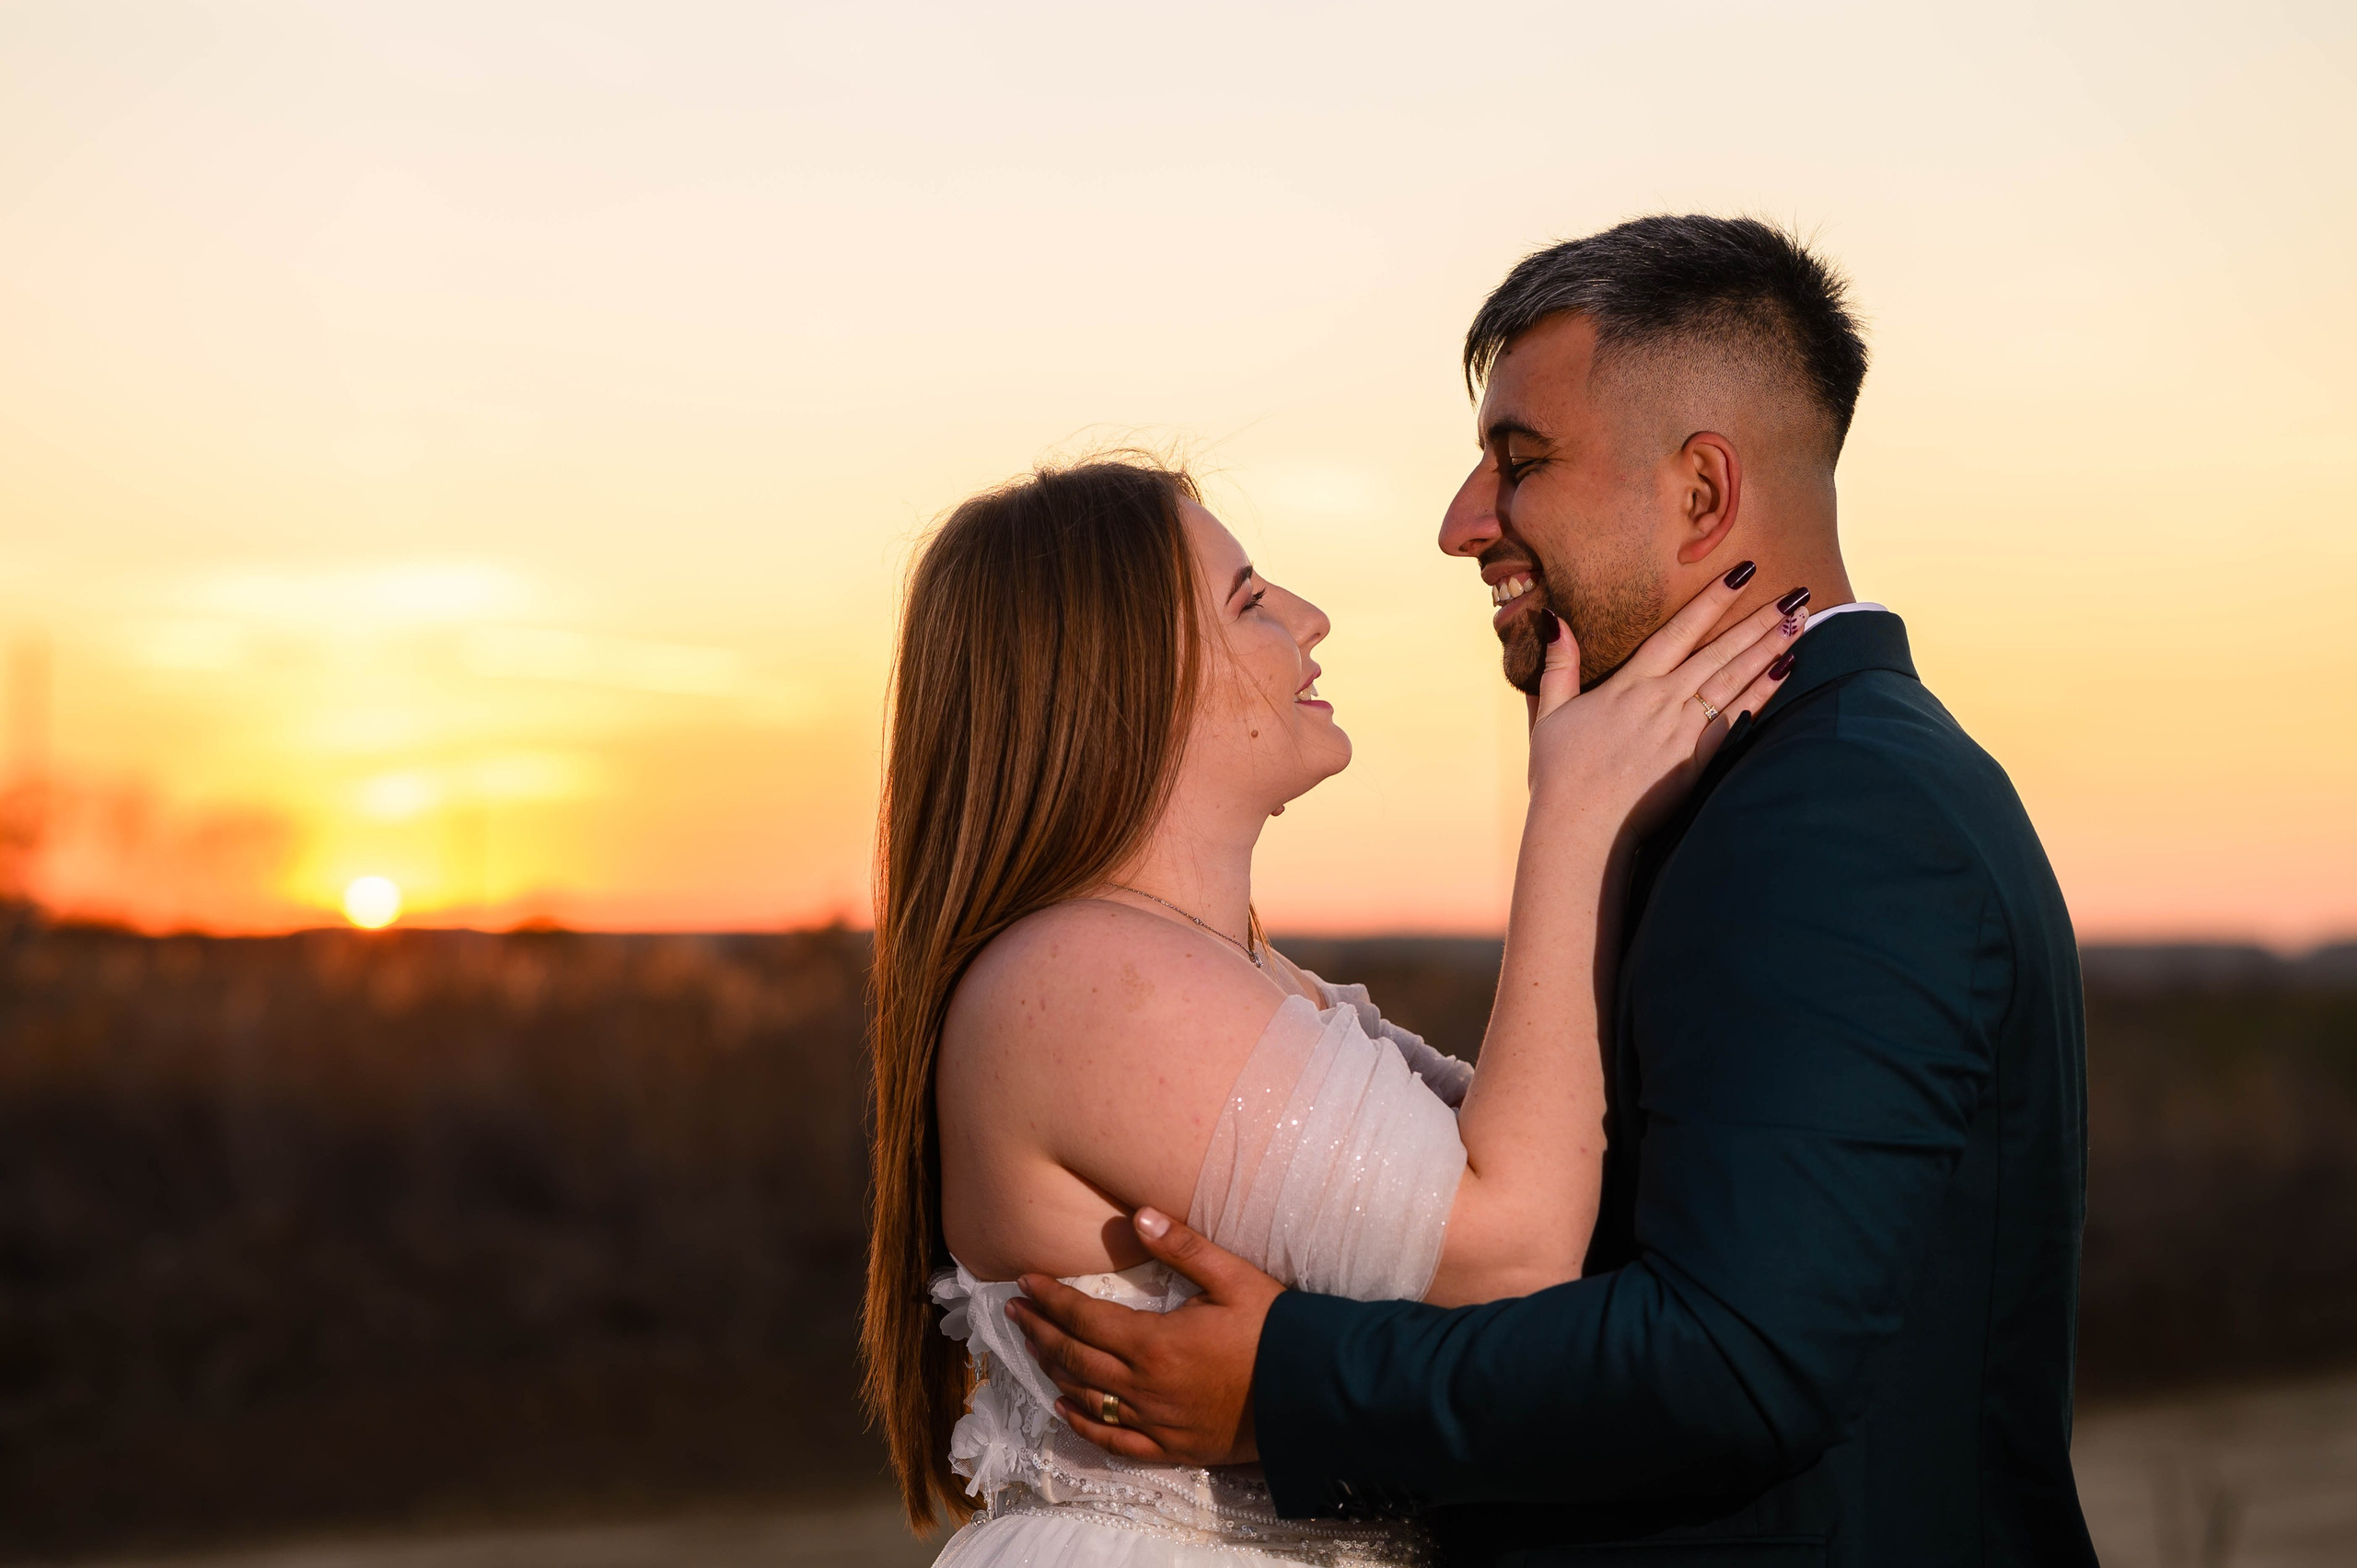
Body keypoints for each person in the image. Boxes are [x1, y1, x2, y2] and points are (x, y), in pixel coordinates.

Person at [1007, 216, 2099, 1566]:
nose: (1464, 522)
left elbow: (1739, 1360)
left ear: (1702, 494)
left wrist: (1283, 1385)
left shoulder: (1835, 811)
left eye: (1519, 463)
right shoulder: (1746, 788)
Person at [865, 443, 1797, 1568]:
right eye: (1250, 599)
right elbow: (1512, 1254)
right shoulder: (1086, 982)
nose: (1309, 619)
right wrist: (1578, 814)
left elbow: (1550, 1181)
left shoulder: (1226, 973)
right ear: (1121, 674)